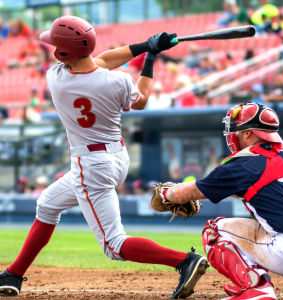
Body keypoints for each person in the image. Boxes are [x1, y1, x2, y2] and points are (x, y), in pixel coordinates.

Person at [0, 16, 208, 299]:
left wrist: (146, 47)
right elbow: (140, 97)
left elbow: (102, 61)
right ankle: (13, 274)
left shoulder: (56, 77)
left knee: (114, 245)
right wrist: (149, 57)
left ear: (64, 53)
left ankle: (183, 261)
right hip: (117, 158)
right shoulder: (118, 81)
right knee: (47, 205)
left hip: (91, 165)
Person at [156, 103, 283, 299]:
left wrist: (166, 194)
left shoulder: (244, 164)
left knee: (214, 230)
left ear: (248, 133)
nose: (234, 134)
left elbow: (189, 192)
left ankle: (256, 288)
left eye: (238, 129)